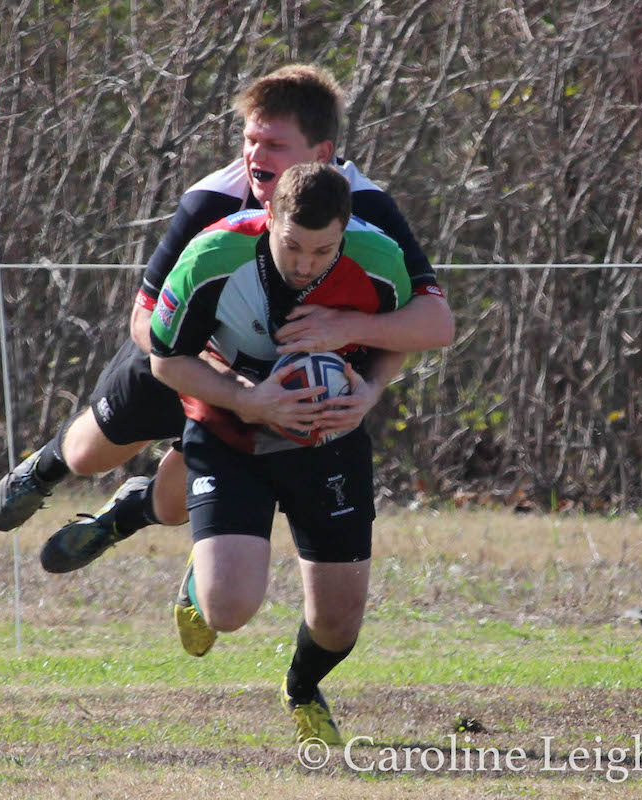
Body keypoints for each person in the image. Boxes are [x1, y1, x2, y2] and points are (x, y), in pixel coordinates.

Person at [0, 64, 453, 573]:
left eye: (274, 145)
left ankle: (124, 515)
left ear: (322, 155)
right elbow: (143, 322)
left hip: (286, 380)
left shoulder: (365, 210)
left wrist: (345, 331)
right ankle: (44, 467)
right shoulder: (211, 199)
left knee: (173, 503)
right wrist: (217, 373)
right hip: (191, 354)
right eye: (250, 140)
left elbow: (433, 320)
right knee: (87, 456)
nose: (255, 155)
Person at [149, 162, 415, 745]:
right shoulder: (213, 254)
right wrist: (250, 401)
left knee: (339, 623)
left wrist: (367, 393)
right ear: (269, 215)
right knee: (228, 609)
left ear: (346, 229)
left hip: (327, 437)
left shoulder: (379, 258)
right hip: (229, 431)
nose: (304, 263)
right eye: (292, 245)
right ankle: (205, 575)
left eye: (323, 251)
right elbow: (165, 360)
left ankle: (300, 687)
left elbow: (415, 332)